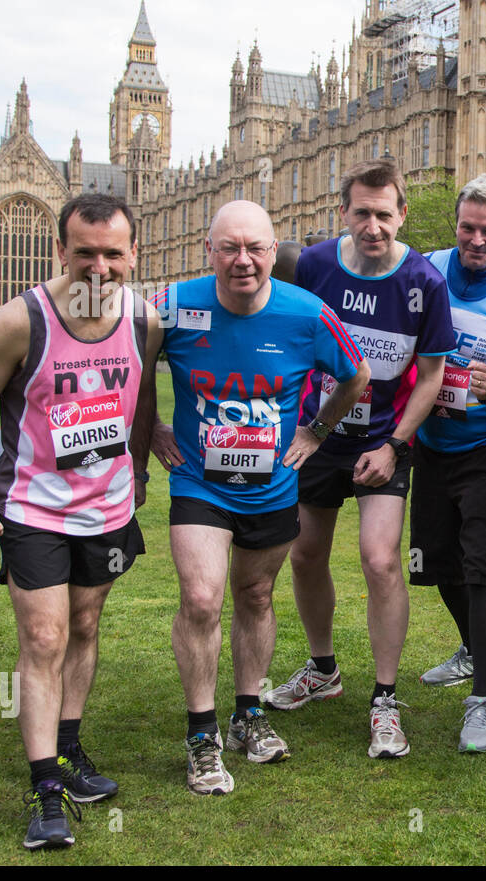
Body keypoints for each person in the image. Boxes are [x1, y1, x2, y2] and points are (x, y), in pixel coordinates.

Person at [0, 193, 160, 849]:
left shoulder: (144, 320)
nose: (98, 267)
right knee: (44, 637)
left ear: (133, 255)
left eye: (112, 253)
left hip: (107, 506)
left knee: (85, 623)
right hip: (34, 508)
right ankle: (45, 792)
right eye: (84, 253)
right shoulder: (20, 322)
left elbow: (144, 394)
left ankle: (68, 752)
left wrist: (142, 470)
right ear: (59, 251)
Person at [151, 200, 368, 795]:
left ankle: (249, 713)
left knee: (255, 593)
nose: (242, 260)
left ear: (275, 251)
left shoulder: (308, 313)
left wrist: (316, 431)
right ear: (209, 250)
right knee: (201, 597)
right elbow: (130, 362)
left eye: (256, 248)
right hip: (198, 480)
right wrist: (150, 426)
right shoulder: (173, 306)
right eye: (230, 247)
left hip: (273, 484)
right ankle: (201, 735)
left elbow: (356, 376)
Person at [262, 159, 453, 760]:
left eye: (385, 214)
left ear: (403, 215)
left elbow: (431, 377)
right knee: (306, 553)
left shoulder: (425, 281)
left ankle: (385, 700)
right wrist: (305, 428)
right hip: (315, 437)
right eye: (362, 212)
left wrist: (394, 444)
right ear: (343, 212)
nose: (373, 226)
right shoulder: (314, 265)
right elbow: (291, 342)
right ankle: (323, 669)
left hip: (382, 442)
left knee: (380, 560)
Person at [411, 173, 486, 752]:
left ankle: (481, 697)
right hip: (431, 443)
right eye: (468, 227)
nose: (477, 240)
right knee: (434, 563)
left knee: (484, 565)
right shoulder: (425, 268)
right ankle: (474, 649)